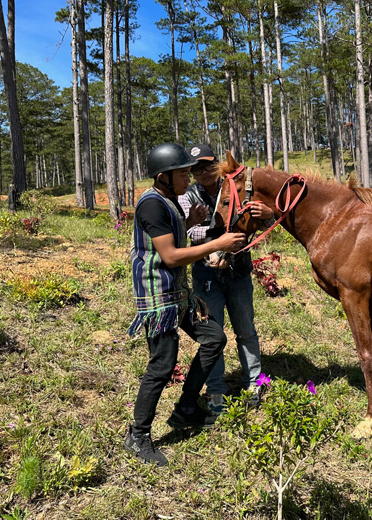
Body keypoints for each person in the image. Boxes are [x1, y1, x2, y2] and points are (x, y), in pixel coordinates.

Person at [123, 142, 246, 466]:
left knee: (214, 338)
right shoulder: (152, 205)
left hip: (178, 294)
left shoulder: (170, 203)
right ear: (164, 176)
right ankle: (137, 435)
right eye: (181, 173)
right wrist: (217, 243)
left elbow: (176, 240)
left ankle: (187, 406)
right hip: (158, 299)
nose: (187, 179)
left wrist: (189, 218)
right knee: (161, 367)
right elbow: (171, 255)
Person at [179, 144, 272, 415]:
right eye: (195, 168)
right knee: (213, 334)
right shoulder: (188, 195)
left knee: (245, 328)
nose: (202, 172)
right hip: (206, 272)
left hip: (239, 269)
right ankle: (216, 388)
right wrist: (218, 238)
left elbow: (256, 220)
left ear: (218, 164)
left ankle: (254, 382)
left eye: (208, 165)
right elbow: (191, 232)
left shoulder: (236, 186)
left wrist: (268, 216)